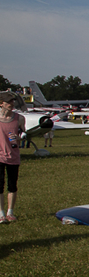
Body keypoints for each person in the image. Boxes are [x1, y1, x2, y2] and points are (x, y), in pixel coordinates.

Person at [0, 91, 27, 223]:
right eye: (9, 101)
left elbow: (24, 134)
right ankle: (1, 214)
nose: (12, 104)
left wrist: (19, 138)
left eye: (13, 101)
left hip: (13, 156)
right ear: (1, 104)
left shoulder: (19, 118)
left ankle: (10, 212)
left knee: (12, 185)